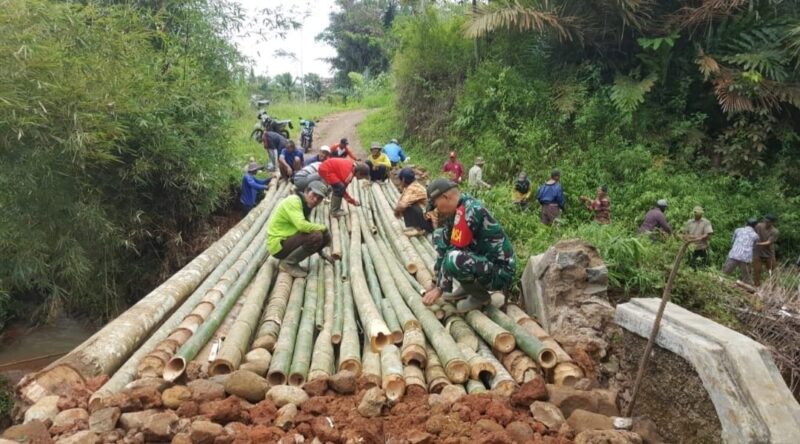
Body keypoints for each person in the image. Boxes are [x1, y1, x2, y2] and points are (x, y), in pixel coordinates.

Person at [421, 178, 516, 313]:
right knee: (438, 235)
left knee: (454, 258)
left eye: (436, 206)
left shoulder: (470, 210)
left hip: (499, 271)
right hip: (483, 263)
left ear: (445, 197)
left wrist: (440, 289)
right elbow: (446, 245)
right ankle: (467, 287)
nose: (437, 210)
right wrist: (435, 281)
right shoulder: (455, 212)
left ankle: (480, 296)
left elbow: (453, 251)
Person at [267, 181, 333, 277]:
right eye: (314, 195)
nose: (315, 200)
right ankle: (288, 264)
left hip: (287, 241)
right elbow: (302, 226)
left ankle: (290, 261)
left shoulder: (305, 205)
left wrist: (321, 250)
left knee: (320, 234)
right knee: (317, 235)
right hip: (278, 246)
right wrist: (324, 228)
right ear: (306, 191)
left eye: (319, 198)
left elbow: (307, 227)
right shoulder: (294, 201)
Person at [394, 167, 432, 236]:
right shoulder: (414, 185)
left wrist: (396, 212)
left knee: (408, 205)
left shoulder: (412, 188)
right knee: (408, 203)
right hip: (429, 219)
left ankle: (419, 229)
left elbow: (401, 205)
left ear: (403, 180)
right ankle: (416, 227)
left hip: (429, 222)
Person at [722, 218, 760, 283]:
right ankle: (749, 288)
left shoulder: (738, 230)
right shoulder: (756, 236)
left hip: (734, 254)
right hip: (745, 258)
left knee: (724, 273)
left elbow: (732, 241)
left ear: (746, 223)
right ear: (755, 226)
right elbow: (754, 247)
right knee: (746, 276)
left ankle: (720, 282)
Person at [753, 214, 779, 286]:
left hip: (769, 254)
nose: (766, 223)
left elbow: (769, 242)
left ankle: (774, 287)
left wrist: (758, 244)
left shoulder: (774, 231)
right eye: (765, 221)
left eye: (768, 222)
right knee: (757, 271)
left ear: (772, 223)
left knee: (772, 272)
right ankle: (756, 286)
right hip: (758, 252)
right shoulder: (758, 226)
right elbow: (751, 232)